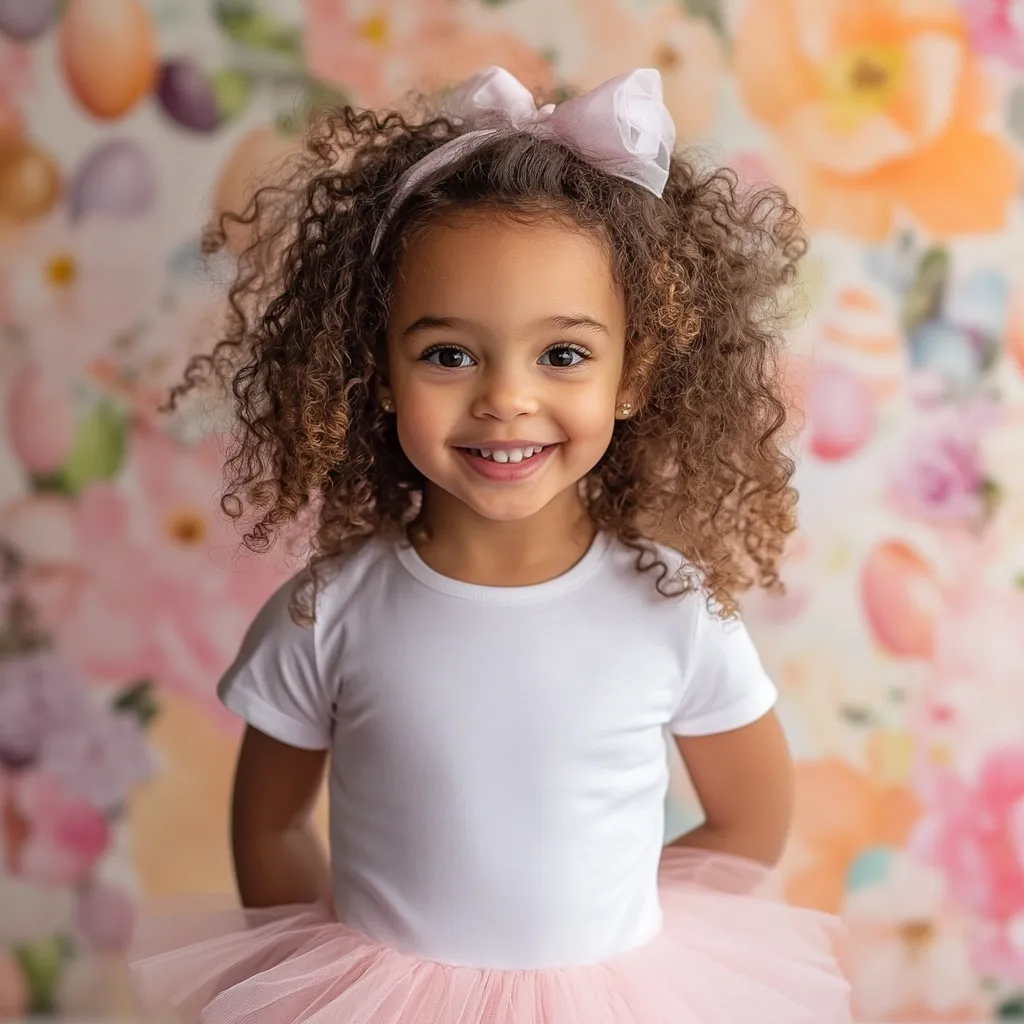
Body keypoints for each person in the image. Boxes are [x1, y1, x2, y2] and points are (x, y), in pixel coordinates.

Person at [128, 66, 852, 1023]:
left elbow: (752, 818)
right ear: (377, 373)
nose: (506, 398)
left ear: (631, 376)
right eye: (448, 354)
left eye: (562, 354)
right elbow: (267, 821)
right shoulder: (327, 613)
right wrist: (323, 986)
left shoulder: (674, 609)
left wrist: (616, 944)